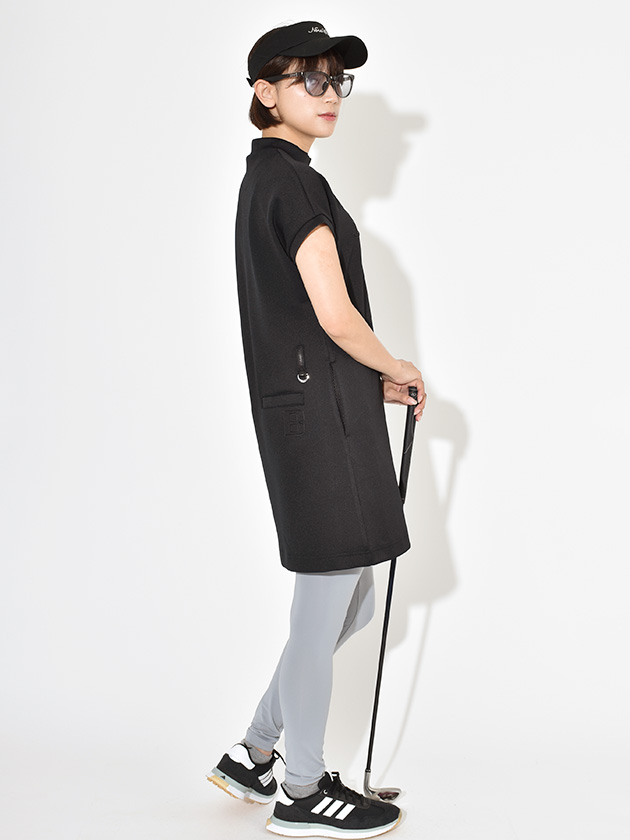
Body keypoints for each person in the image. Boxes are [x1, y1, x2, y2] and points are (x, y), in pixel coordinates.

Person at [208, 21, 426, 839]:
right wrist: (395, 365)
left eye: (337, 80)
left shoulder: (270, 180)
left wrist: (373, 379)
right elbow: (334, 315)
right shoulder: (292, 185)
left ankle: (254, 751)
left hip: (313, 413)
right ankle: (299, 790)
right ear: (265, 92)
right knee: (328, 603)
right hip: (321, 422)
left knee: (348, 601)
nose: (329, 94)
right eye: (310, 79)